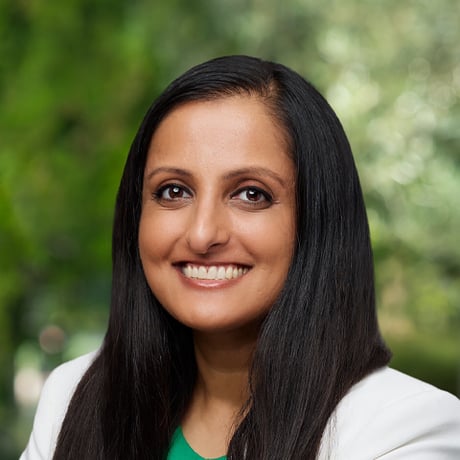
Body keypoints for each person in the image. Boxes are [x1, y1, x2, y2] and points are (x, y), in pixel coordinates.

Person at [21, 55, 460, 460]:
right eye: (173, 191)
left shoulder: (405, 428)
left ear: (317, 221)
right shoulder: (72, 398)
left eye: (251, 194)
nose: (202, 233)